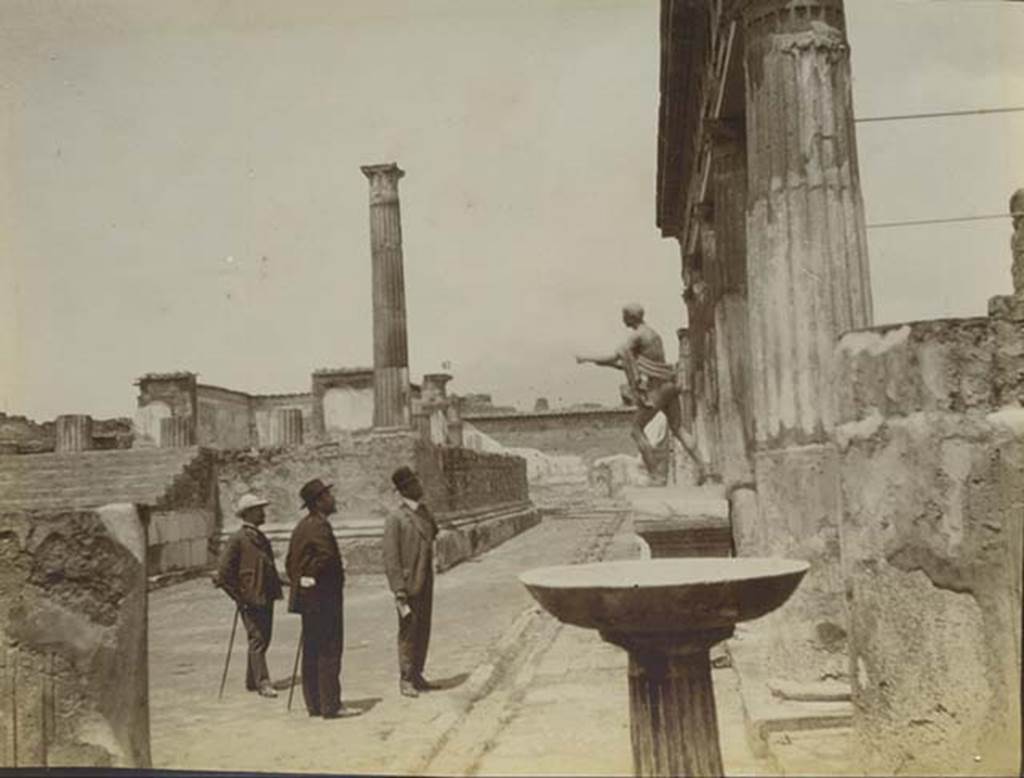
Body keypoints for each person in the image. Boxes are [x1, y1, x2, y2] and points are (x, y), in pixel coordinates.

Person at [576, 302, 710, 484]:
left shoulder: (637, 336)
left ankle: (657, 476)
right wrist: (599, 362)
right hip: (669, 385)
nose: (622, 319)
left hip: (657, 389)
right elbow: (629, 364)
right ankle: (704, 468)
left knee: (636, 430)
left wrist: (586, 357)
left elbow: (617, 356)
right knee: (678, 428)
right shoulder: (653, 334)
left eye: (624, 315)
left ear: (630, 317)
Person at [285, 478, 360, 718]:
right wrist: (314, 578)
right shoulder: (319, 526)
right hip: (324, 600)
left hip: (309, 600)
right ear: (319, 502)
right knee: (329, 650)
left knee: (312, 650)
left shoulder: (302, 526)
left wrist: (302, 580)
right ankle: (331, 705)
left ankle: (315, 704)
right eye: (328, 495)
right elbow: (327, 559)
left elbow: (289, 563)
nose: (333, 499)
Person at [214, 492, 283, 698]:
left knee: (264, 638)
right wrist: (239, 597)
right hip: (250, 598)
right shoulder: (237, 539)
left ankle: (252, 680)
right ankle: (263, 682)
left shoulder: (260, 537)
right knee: (258, 638)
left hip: (265, 595)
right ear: (249, 513)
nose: (263, 513)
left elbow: (268, 567)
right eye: (259, 510)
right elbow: (223, 574)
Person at [382, 466, 439, 698]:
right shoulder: (395, 518)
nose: (420, 486)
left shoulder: (424, 513)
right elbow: (391, 557)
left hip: (425, 581)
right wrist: (398, 588)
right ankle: (405, 679)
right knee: (408, 631)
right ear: (405, 489)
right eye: (415, 483)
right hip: (408, 585)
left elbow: (433, 533)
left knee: (423, 628)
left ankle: (417, 673)